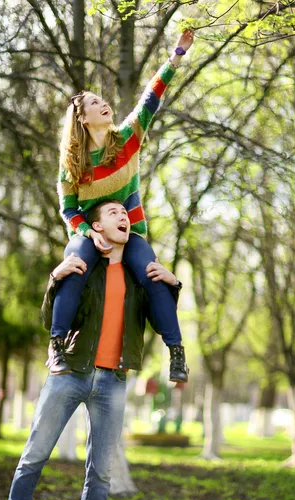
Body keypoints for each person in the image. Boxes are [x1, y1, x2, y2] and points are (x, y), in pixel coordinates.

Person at [2, 200, 183, 500]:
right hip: (70, 371)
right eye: (113, 213)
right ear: (96, 227)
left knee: (100, 471)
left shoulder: (137, 275)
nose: (124, 217)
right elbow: (49, 318)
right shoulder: (84, 267)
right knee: (34, 456)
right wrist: (56, 278)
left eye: (125, 213)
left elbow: (155, 318)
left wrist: (173, 284)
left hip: (113, 381)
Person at [49, 30, 194, 383]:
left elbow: (150, 99)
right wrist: (87, 232)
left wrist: (176, 55)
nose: (104, 103)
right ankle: (57, 345)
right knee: (75, 265)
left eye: (104, 99)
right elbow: (68, 208)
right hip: (89, 233)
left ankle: (177, 353)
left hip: (129, 231)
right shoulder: (73, 164)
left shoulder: (128, 138)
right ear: (82, 118)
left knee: (154, 273)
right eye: (94, 102)